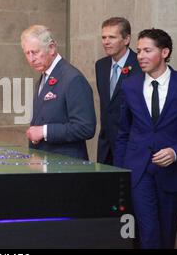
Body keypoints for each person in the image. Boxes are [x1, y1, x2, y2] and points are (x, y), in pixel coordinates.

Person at [115, 29, 177, 249]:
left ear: (165, 52)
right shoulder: (130, 85)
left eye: (147, 50)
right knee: (148, 231)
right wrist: (121, 172)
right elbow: (123, 132)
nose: (141, 56)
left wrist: (176, 151)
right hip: (138, 170)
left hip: (173, 171)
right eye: (138, 51)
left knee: (167, 233)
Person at [21, 25, 96, 160]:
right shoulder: (44, 76)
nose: (31, 59)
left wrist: (44, 131)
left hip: (67, 166)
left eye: (35, 52)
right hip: (45, 163)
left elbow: (86, 127)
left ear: (52, 48)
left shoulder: (73, 78)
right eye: (27, 53)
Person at [95, 17, 140, 165]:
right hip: (105, 146)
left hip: (130, 145)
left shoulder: (140, 66)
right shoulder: (101, 65)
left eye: (112, 37)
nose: (106, 42)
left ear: (126, 39)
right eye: (104, 37)